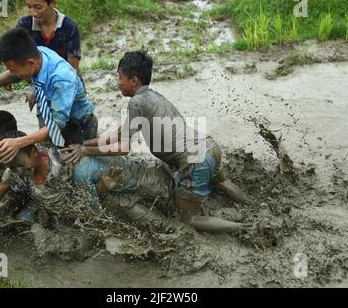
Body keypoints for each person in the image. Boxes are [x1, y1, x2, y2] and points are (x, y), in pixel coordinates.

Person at [62, 51, 254, 231]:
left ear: (134, 80)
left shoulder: (136, 103)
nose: (118, 82)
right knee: (222, 182)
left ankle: (247, 228)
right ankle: (254, 205)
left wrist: (86, 153)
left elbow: (123, 148)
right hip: (209, 147)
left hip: (195, 162)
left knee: (188, 220)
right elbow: (118, 134)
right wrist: (84, 144)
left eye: (120, 77)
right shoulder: (151, 97)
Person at [0, 131, 248, 235]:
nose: (17, 173)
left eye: (18, 164)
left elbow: (116, 149)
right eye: (10, 167)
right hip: (107, 200)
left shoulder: (65, 156)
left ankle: (220, 187)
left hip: (125, 178)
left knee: (177, 197)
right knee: (165, 228)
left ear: (34, 152)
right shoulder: (15, 175)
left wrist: (103, 183)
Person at [0, 28, 98, 164]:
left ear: (31, 63)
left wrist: (19, 142)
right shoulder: (38, 54)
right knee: (50, 159)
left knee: (77, 168)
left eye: (14, 70)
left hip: (79, 127)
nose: (12, 75)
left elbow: (55, 127)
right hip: (51, 114)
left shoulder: (62, 79)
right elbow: (13, 74)